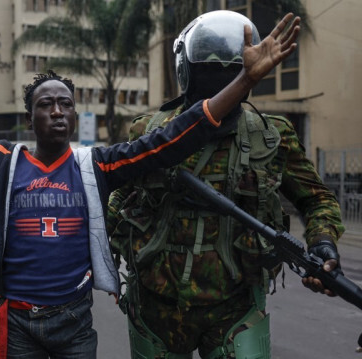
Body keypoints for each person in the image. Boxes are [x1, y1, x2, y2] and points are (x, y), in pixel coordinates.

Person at [0, 1, 299, 357]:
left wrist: (243, 81)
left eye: (65, 103)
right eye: (45, 103)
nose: (57, 110)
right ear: (30, 116)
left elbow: (178, 136)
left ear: (74, 115)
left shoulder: (96, 166)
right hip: (18, 322)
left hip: (75, 323)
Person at [106, 10, 344, 359]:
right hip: (155, 306)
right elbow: (119, 198)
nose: (215, 77)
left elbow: (317, 199)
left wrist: (323, 244)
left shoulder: (271, 135)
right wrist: (101, 259)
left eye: (227, 69)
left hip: (236, 306)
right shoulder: (150, 131)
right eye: (207, 67)